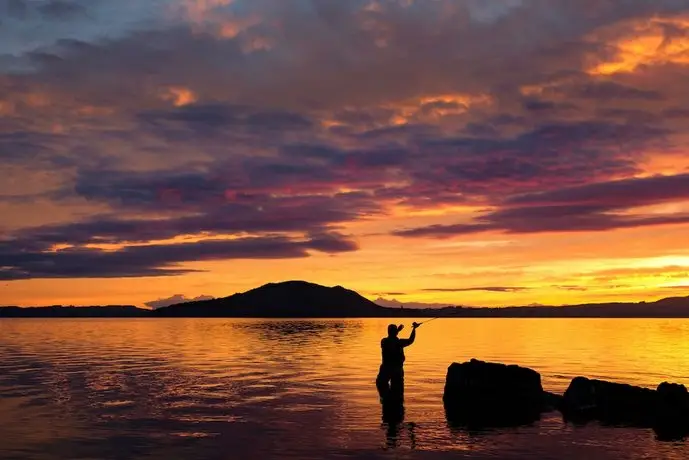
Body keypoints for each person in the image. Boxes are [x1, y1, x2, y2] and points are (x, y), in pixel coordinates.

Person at [376, 322, 419, 399]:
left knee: (382, 388)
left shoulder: (384, 341)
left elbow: (391, 337)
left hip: (385, 369)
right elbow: (411, 340)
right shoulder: (399, 342)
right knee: (398, 394)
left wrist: (397, 331)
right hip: (397, 370)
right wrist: (414, 329)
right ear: (395, 332)